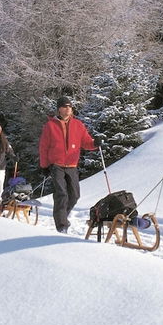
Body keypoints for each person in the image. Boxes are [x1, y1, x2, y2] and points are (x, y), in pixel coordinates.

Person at [39, 96, 102, 233]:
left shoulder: (78, 125)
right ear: (59, 109)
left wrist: (94, 144)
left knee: (74, 195)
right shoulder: (50, 125)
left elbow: (86, 142)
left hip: (72, 165)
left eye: (70, 106)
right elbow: (44, 147)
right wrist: (44, 166)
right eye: (65, 106)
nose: (68, 109)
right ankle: (62, 225)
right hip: (56, 164)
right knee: (61, 193)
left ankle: (61, 215)